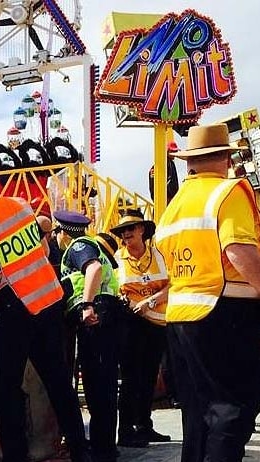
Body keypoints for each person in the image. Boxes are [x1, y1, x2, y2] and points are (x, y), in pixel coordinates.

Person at [0, 165, 91, 462]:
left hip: (15, 313)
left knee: (6, 391)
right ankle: (79, 451)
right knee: (59, 383)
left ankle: (15, 457)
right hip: (49, 304)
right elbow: (44, 253)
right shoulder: (18, 206)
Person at [155, 124, 260, 462]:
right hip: (226, 312)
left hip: (180, 319)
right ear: (226, 158)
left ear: (190, 163)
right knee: (232, 411)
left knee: (199, 416)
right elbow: (238, 252)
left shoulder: (174, 206)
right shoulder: (228, 192)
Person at [55, 211, 120, 462]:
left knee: (98, 385)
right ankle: (105, 447)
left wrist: (86, 305)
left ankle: (103, 451)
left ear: (64, 232)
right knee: (102, 384)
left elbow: (92, 269)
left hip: (97, 315)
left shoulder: (78, 245)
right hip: (105, 315)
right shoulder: (90, 244)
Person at [110, 210, 170, 447]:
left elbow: (173, 284)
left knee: (148, 377)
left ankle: (145, 426)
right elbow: (116, 289)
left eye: (131, 229)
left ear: (142, 230)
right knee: (129, 378)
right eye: (123, 231)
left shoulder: (159, 255)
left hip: (156, 322)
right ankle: (125, 430)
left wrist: (150, 301)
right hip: (130, 323)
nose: (126, 234)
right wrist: (134, 304)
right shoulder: (118, 258)